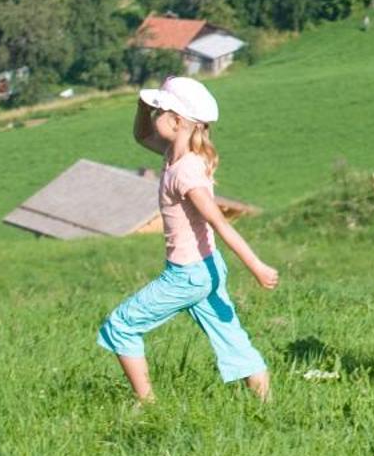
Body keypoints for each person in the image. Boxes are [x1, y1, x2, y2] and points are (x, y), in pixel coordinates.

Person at [98, 75, 278, 402]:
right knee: (234, 341)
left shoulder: (185, 173)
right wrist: (142, 106)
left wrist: (257, 267)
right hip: (207, 269)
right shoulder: (176, 154)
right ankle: (267, 408)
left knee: (120, 326)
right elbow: (141, 135)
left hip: (186, 276)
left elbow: (220, 223)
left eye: (159, 112)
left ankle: (148, 405)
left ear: (177, 121)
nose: (154, 117)